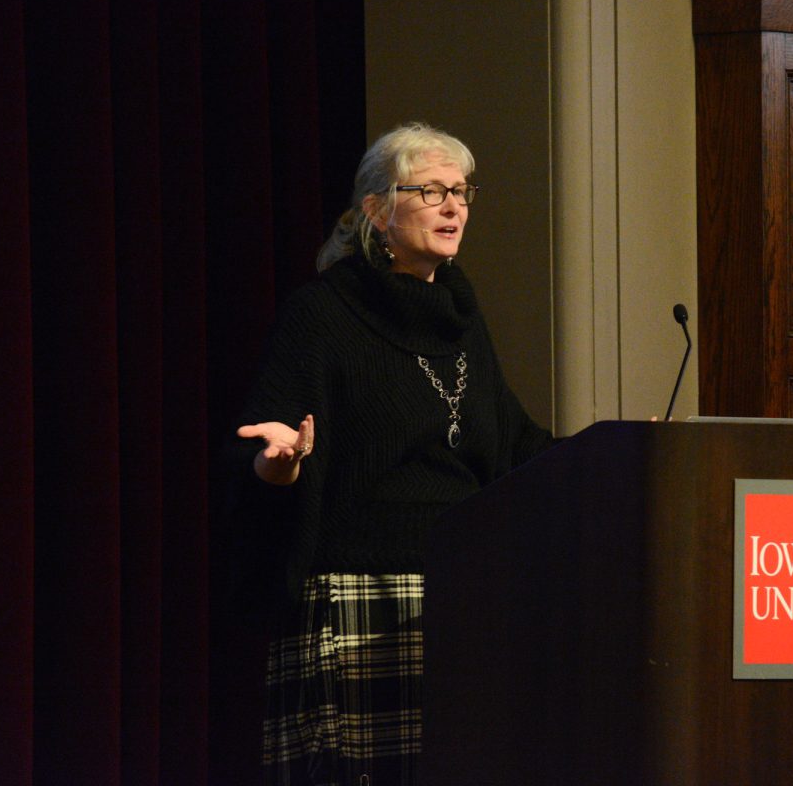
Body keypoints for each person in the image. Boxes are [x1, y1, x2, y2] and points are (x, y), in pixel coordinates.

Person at [228, 122, 552, 785]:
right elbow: (265, 449)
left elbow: (517, 445)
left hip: (464, 595)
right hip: (357, 597)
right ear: (376, 209)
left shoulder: (461, 318)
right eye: (431, 191)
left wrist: (624, 450)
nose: (455, 207)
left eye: (462, 192)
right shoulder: (320, 315)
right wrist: (279, 464)